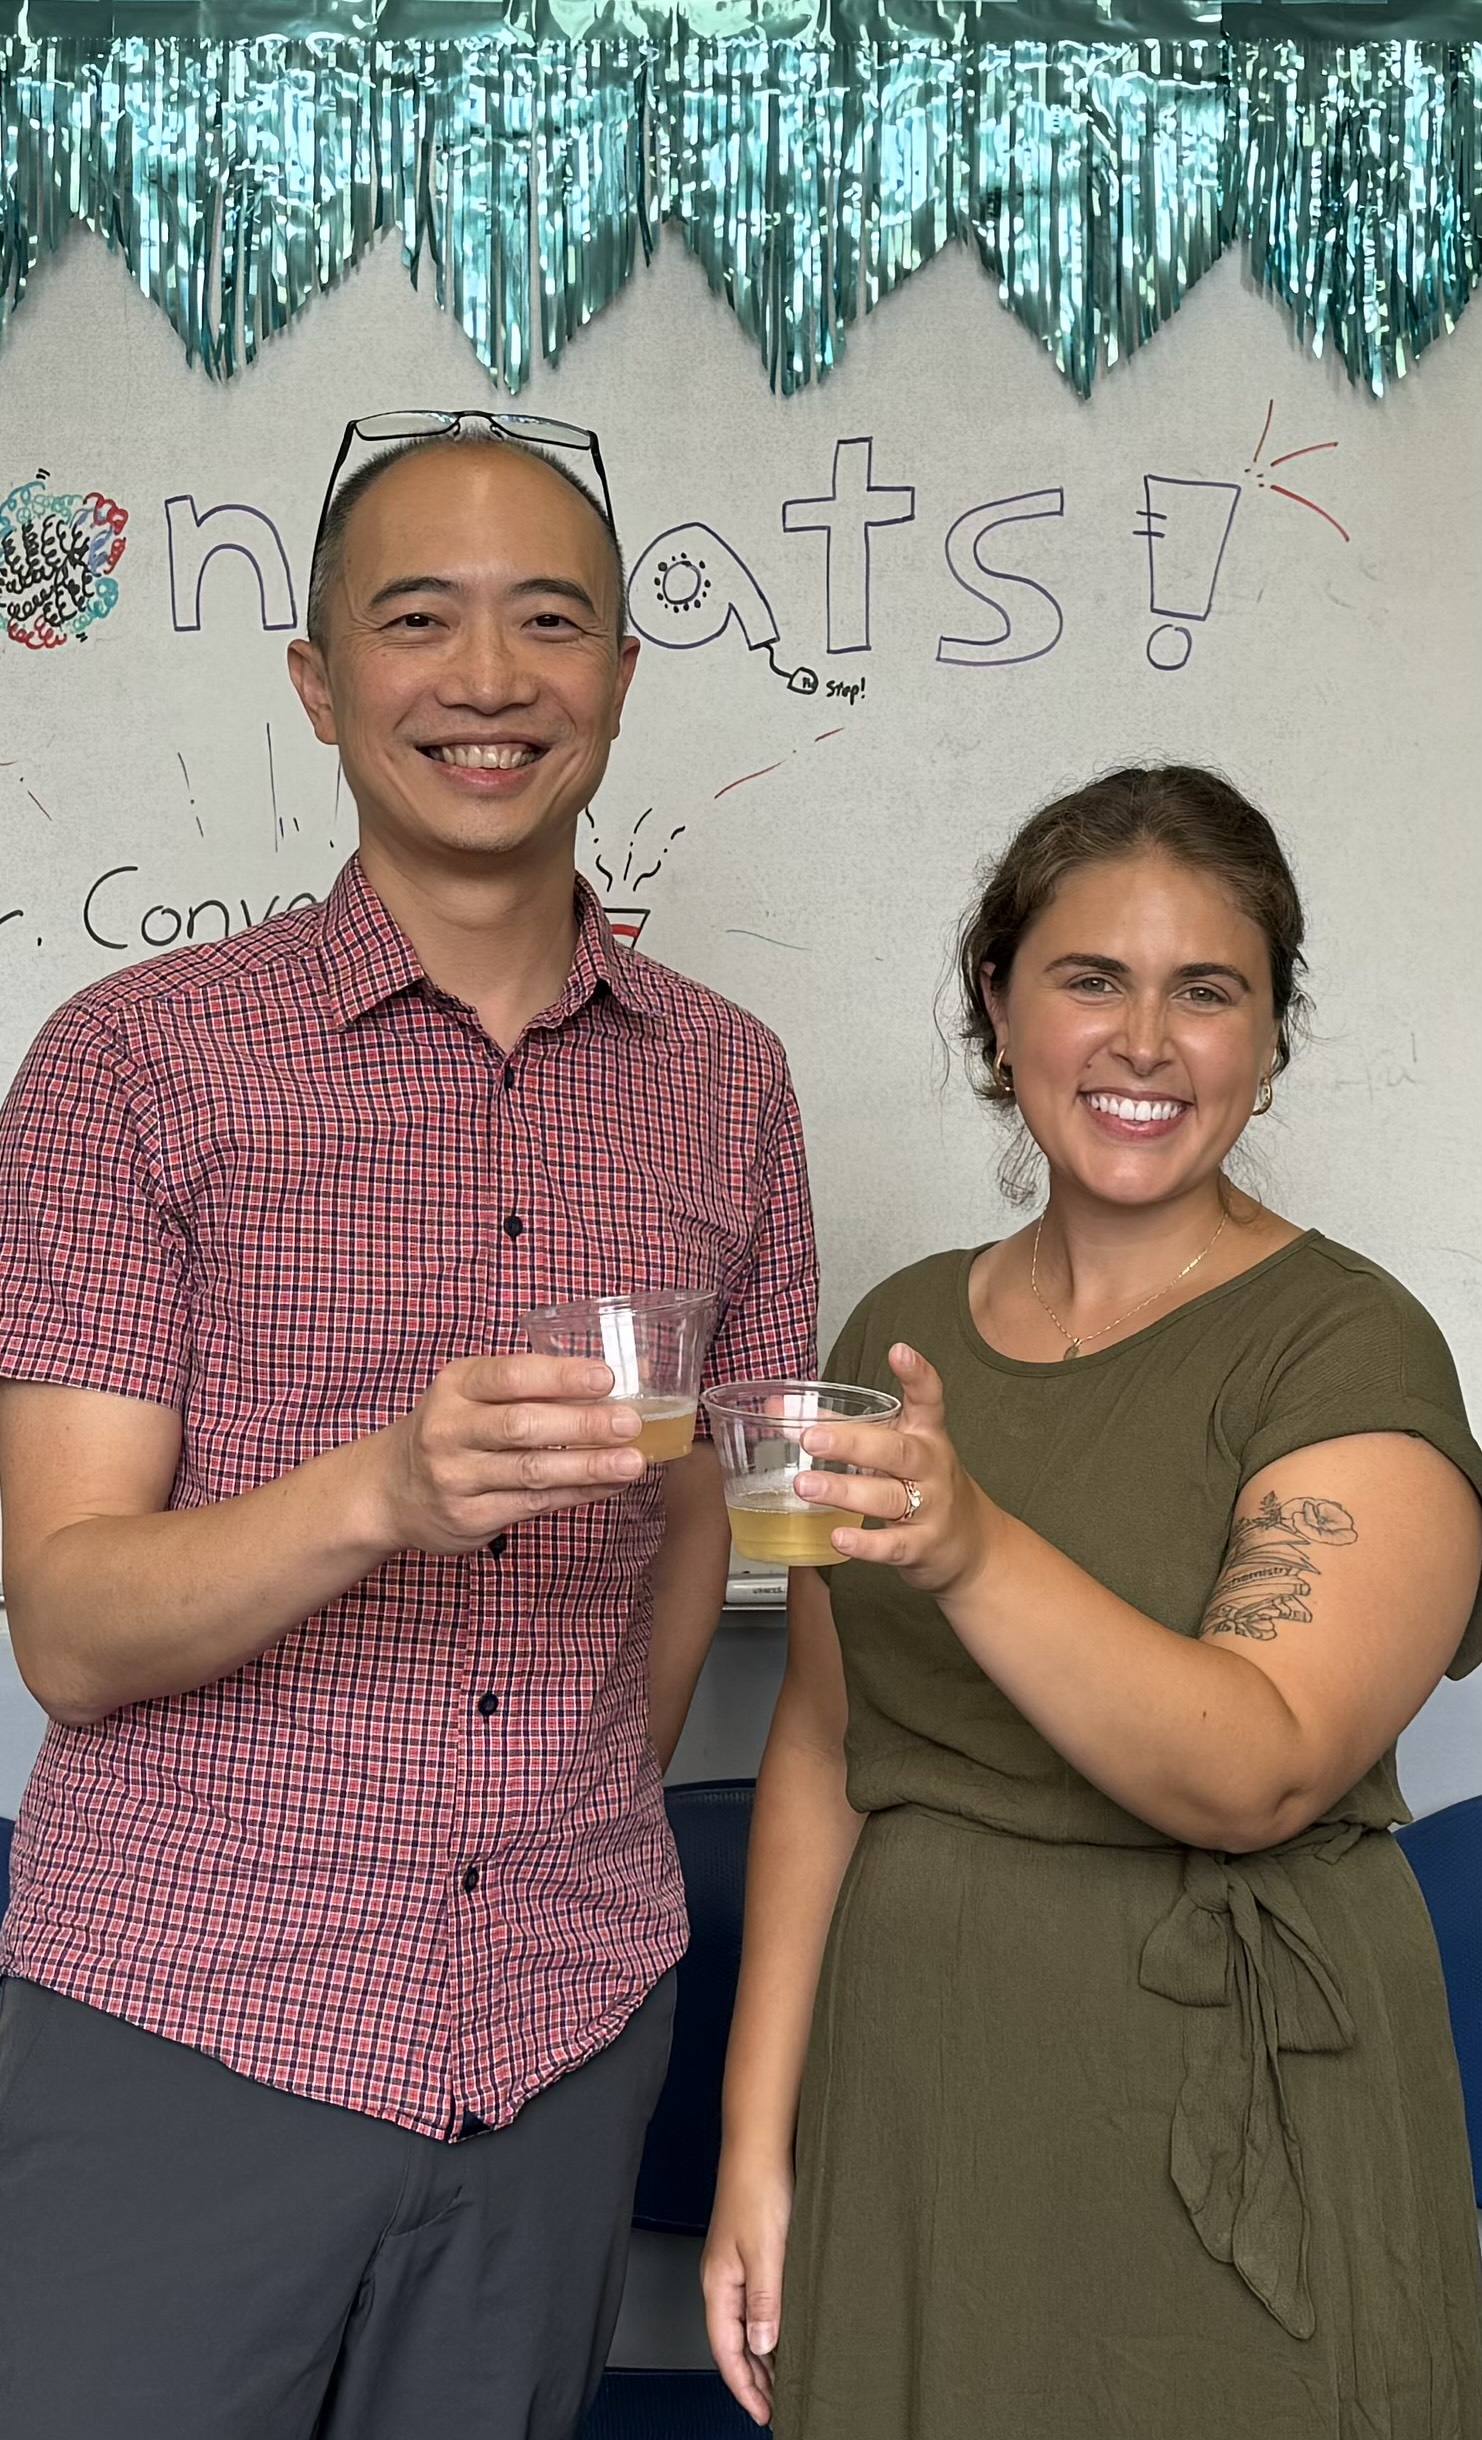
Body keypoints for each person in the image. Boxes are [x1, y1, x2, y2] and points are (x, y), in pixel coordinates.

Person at [0, 415, 816, 2440]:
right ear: (315, 677)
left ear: (622, 673)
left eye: (551, 619)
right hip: (188, 2022)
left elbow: (720, 1514)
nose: (486, 678)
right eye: (416, 617)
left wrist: (569, 1819)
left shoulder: (731, 1082)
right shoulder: (131, 1064)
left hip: (564, 2030)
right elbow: (71, 1626)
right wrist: (382, 1485)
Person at [704, 764, 1482, 2439]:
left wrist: (973, 1546)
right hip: (916, 2094)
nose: (1143, 1042)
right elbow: (827, 1747)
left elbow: (1259, 1763)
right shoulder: (895, 1335)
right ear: (997, 1008)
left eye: (1207, 991)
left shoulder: (1348, 1347)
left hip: (1234, 2108)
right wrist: (755, 2147)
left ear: (1270, 1037)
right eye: (1088, 980)